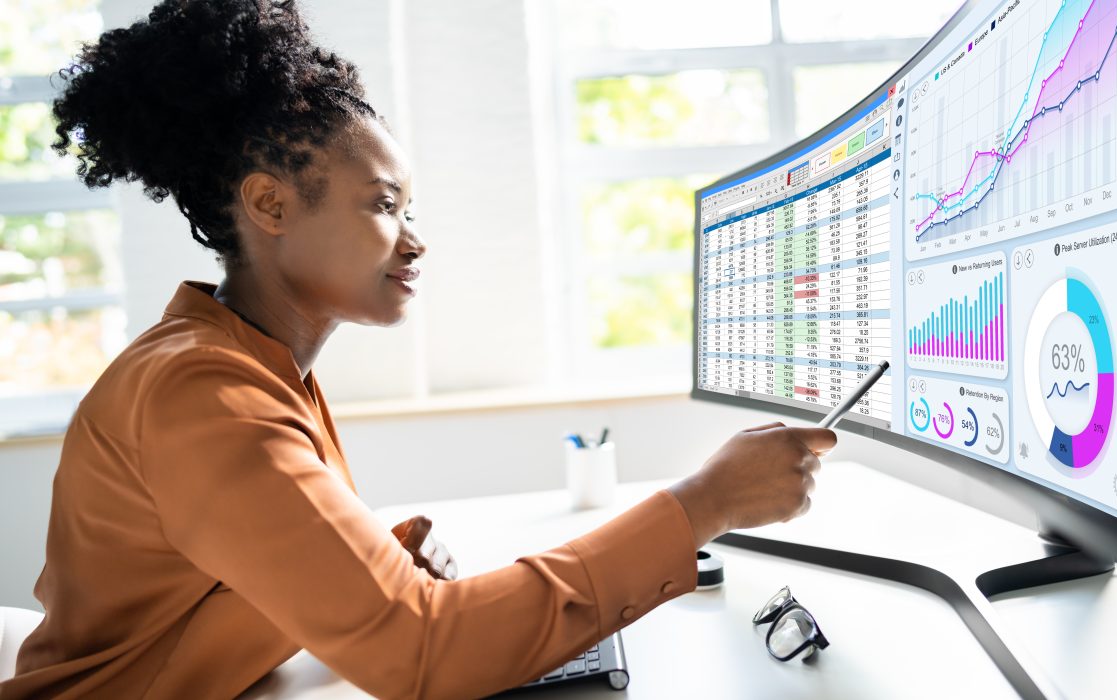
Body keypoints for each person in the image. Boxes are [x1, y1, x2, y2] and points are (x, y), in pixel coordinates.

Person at [0, 1, 836, 698]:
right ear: (270, 204)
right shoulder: (203, 395)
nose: (415, 241)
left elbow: (196, 602)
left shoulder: (244, 362)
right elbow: (424, 652)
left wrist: (368, 565)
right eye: (385, 205)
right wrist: (701, 507)